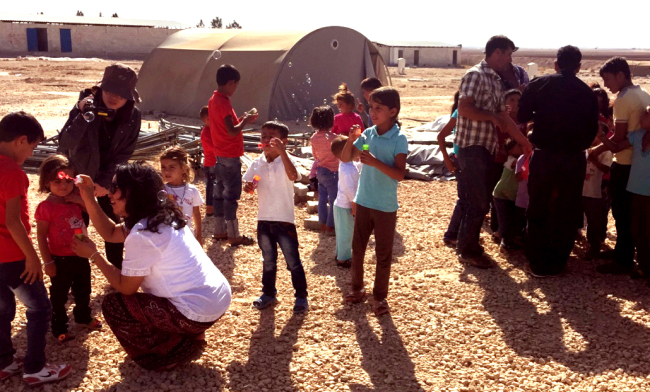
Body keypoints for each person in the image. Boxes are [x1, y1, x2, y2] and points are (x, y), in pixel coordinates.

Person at [71, 162, 231, 370]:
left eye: (115, 188)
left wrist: (94, 255)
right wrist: (88, 197)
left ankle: (172, 352)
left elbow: (126, 287)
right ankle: (192, 334)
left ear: (133, 193)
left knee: (115, 306)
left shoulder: (143, 234)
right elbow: (110, 233)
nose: (109, 194)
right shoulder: (162, 216)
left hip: (197, 310)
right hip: (216, 299)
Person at [0, 112, 71, 386]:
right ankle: (35, 368)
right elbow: (13, 220)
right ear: (21, 140)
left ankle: (4, 361)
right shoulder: (13, 172)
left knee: (3, 311)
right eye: (32, 147)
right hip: (13, 255)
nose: (31, 153)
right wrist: (33, 257)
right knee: (39, 308)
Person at [517, 45, 599, 277]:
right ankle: (558, 261)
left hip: (544, 155)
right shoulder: (586, 93)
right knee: (567, 207)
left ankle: (537, 262)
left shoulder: (540, 84)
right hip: (574, 158)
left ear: (556, 64)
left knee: (539, 204)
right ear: (579, 67)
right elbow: (591, 130)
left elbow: (522, 117)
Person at [455, 35, 532, 268]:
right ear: (496, 52)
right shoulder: (475, 75)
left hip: (487, 147)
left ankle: (468, 245)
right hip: (471, 146)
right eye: (508, 54)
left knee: (478, 199)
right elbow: (463, 108)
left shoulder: (496, 82)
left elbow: (504, 117)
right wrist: (490, 117)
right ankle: (468, 249)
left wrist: (524, 143)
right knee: (477, 201)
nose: (510, 59)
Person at [58, 63, 142, 270]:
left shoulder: (133, 116)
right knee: (76, 226)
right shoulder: (85, 107)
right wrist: (82, 115)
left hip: (109, 180)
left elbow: (125, 153)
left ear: (129, 97)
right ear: (101, 88)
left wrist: (105, 182)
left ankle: (118, 271)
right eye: (109, 91)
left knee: (112, 226)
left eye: (121, 95)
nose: (113, 98)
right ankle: (75, 275)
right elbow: (65, 143)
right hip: (79, 176)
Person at [340, 87, 408, 317]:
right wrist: (351, 140)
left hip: (386, 207)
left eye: (378, 108)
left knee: (383, 255)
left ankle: (379, 297)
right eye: (371, 107)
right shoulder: (367, 134)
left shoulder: (399, 138)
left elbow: (400, 174)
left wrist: (375, 162)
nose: (373, 112)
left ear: (393, 112)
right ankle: (357, 289)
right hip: (364, 201)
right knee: (357, 250)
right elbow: (346, 157)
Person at [589, 57, 650, 274]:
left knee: (622, 214)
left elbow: (618, 140)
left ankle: (623, 260)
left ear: (621, 75)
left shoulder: (624, 99)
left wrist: (597, 144)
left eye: (607, 79)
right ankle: (625, 252)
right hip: (638, 163)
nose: (606, 85)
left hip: (624, 163)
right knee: (631, 214)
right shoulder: (642, 93)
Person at [35, 155, 102, 343]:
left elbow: (94, 214)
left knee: (84, 289)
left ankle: (82, 316)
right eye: (57, 181)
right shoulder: (45, 207)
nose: (63, 186)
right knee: (59, 294)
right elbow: (41, 235)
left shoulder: (75, 201)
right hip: (59, 258)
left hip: (81, 255)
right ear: (47, 183)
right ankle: (59, 327)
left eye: (67, 181)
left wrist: (80, 200)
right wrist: (47, 261)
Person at [243, 122, 308, 313]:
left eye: (271, 137)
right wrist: (248, 188)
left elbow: (293, 175)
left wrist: (283, 153)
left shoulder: (287, 160)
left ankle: (301, 296)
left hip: (284, 219)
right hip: (264, 219)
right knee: (268, 259)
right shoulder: (257, 163)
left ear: (283, 141)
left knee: (293, 261)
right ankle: (268, 293)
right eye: (263, 135)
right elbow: (250, 184)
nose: (265, 139)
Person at [208, 64, 259, 246]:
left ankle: (219, 230)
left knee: (219, 193)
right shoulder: (224, 102)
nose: (236, 89)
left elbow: (224, 125)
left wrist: (241, 118)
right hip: (230, 154)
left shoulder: (213, 100)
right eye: (236, 85)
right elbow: (231, 131)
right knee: (231, 195)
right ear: (231, 83)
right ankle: (233, 234)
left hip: (219, 154)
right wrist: (245, 120)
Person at [160, 146, 204, 245]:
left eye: (172, 167)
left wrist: (199, 235)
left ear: (183, 168)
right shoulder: (161, 191)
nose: (166, 171)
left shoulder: (192, 190)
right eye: (163, 167)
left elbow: (196, 213)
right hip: (166, 238)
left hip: (186, 236)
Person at [331, 135, 361, 268]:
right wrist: (354, 204)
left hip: (341, 205)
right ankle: (343, 259)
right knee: (346, 233)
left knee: (342, 231)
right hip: (346, 205)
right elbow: (350, 189)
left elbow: (359, 166)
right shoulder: (347, 169)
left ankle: (339, 254)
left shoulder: (348, 164)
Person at [627, 108, 650, 277]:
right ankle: (643, 267)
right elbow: (615, 147)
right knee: (638, 229)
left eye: (646, 115)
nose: (641, 117)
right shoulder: (637, 135)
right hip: (636, 190)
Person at [437, 92, 462, 246]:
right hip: (460, 159)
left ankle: (460, 233)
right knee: (465, 199)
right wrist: (447, 159)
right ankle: (452, 233)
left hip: (464, 159)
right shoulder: (460, 112)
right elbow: (441, 136)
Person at [582, 136, 612, 260]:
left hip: (594, 192)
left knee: (593, 221)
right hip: (580, 190)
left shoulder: (606, 151)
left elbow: (606, 169)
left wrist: (593, 160)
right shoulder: (583, 148)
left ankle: (594, 247)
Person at [310, 106, 339, 233]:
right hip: (333, 172)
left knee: (322, 197)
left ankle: (322, 223)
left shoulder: (313, 138)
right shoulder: (334, 138)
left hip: (320, 170)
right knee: (334, 199)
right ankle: (330, 225)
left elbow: (315, 156)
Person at [492, 140, 523, 250]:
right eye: (518, 146)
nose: (521, 147)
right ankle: (503, 240)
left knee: (506, 218)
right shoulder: (512, 160)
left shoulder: (517, 159)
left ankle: (499, 234)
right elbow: (522, 166)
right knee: (504, 219)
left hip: (508, 195)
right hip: (502, 195)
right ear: (510, 151)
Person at [200, 106, 216, 218]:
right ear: (205, 120)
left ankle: (216, 206)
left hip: (217, 162)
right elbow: (211, 148)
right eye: (209, 119)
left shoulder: (215, 130)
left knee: (217, 185)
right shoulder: (206, 132)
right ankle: (209, 207)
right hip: (211, 163)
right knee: (211, 186)